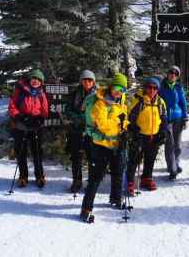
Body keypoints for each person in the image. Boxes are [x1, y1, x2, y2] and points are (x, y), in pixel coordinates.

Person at [80, 73, 128, 221]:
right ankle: (86, 209)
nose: (119, 92)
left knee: (118, 172)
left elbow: (124, 119)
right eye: (117, 88)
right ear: (111, 87)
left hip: (117, 143)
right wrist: (119, 125)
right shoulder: (100, 103)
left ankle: (116, 198)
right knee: (96, 178)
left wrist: (125, 128)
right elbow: (103, 125)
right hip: (101, 145)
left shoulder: (121, 101)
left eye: (122, 89)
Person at [126, 77, 168, 195]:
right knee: (134, 159)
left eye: (155, 88)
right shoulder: (139, 101)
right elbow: (130, 117)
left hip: (154, 135)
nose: (152, 90)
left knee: (150, 158)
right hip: (140, 135)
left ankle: (147, 178)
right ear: (145, 88)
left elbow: (164, 117)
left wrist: (163, 131)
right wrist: (134, 130)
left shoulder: (160, 102)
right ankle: (130, 182)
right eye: (149, 87)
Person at [8, 69, 49, 188]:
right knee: (21, 152)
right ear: (29, 80)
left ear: (41, 82)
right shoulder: (20, 91)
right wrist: (20, 116)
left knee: (37, 152)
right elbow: (12, 106)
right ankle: (23, 176)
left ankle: (40, 176)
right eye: (33, 79)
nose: (35, 81)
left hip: (35, 126)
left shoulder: (41, 93)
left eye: (38, 80)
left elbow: (45, 110)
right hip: (21, 126)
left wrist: (40, 118)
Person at [65, 70, 97, 193]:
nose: (87, 82)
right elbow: (67, 110)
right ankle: (77, 181)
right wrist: (77, 118)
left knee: (92, 157)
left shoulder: (98, 95)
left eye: (90, 80)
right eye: (85, 80)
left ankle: (92, 182)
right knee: (76, 156)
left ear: (93, 81)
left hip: (92, 130)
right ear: (81, 81)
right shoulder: (75, 94)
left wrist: (88, 118)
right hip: (76, 129)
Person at [159, 66, 188, 181]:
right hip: (166, 118)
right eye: (171, 72)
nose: (173, 75)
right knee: (169, 145)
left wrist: (185, 118)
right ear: (168, 74)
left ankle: (175, 163)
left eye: (176, 74)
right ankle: (172, 169)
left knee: (177, 145)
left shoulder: (178, 87)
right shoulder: (161, 86)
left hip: (178, 118)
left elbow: (183, 103)